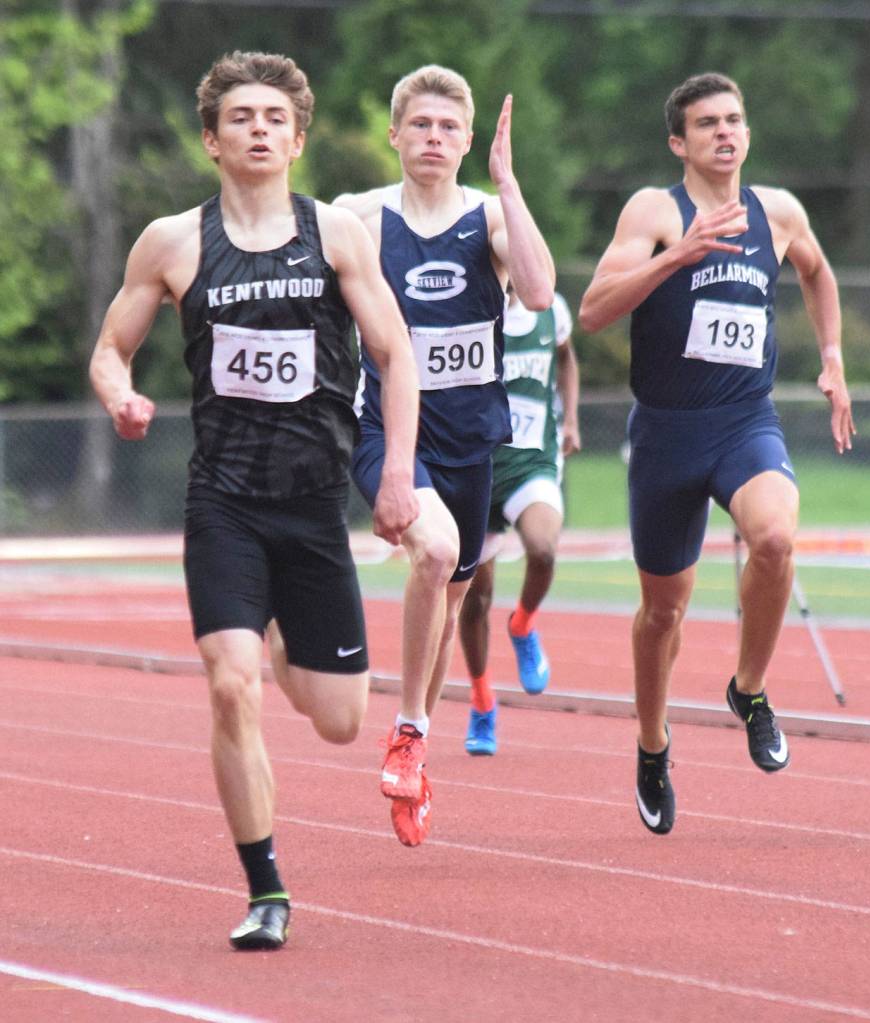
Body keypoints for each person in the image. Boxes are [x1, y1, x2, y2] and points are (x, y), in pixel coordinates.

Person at [89, 51, 419, 950]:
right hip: (224, 500)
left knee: (342, 719)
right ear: (212, 138)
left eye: (276, 116)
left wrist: (397, 475)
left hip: (313, 507)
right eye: (241, 116)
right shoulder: (173, 241)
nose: (260, 128)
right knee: (231, 687)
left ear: (299, 139)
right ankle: (266, 887)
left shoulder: (338, 235)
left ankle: (281, 634)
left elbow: (397, 355)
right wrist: (119, 394)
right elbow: (111, 346)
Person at [578, 72, 854, 836]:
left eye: (734, 120)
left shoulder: (780, 212)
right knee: (663, 611)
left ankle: (750, 688)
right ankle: (652, 743)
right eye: (707, 124)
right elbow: (594, 311)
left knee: (773, 535)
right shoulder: (655, 211)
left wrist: (832, 357)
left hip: (743, 420)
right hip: (666, 433)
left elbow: (818, 273)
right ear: (680, 142)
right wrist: (676, 256)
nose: (725, 133)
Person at [334, 65, 554, 846]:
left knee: (449, 602)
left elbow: (536, 289)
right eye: (419, 125)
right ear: (394, 134)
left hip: (471, 444)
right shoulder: (358, 217)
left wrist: (509, 184)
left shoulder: (491, 216)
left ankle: (414, 743)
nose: (433, 139)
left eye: (448, 128)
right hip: (388, 436)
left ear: (466, 140)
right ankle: (408, 732)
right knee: (435, 552)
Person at [457, 289, 581, 755]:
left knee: (544, 549)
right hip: (477, 466)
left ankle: (524, 625)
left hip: (532, 462)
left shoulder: (551, 307)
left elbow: (567, 359)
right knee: (474, 598)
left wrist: (570, 419)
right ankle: (482, 700)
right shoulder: (467, 307)